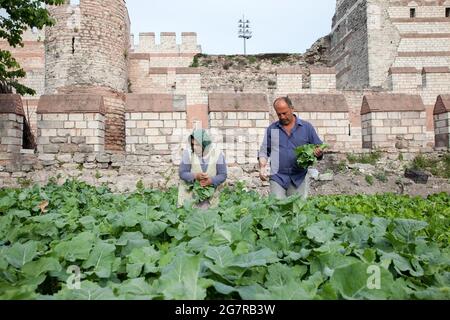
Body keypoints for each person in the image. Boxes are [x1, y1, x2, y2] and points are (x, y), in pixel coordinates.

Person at [258, 96, 324, 199]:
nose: (282, 117)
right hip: (277, 177)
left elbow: (318, 147)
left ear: (292, 109)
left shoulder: (306, 128)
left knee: (297, 210)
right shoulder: (273, 129)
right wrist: (262, 167)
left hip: (299, 177)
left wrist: (318, 152)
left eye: (285, 113)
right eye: (279, 114)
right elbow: (264, 151)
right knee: (277, 207)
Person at [178, 129, 227, 207]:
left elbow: (223, 174)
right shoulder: (188, 153)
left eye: (198, 145)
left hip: (211, 196)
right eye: (193, 144)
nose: (194, 147)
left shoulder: (218, 154)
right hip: (190, 197)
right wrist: (195, 176)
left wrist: (211, 181)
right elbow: (182, 173)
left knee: (210, 216)